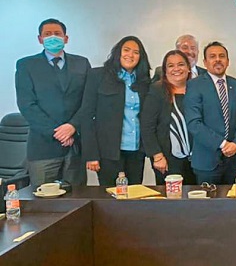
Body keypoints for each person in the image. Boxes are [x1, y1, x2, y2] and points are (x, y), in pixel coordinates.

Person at [15, 18, 91, 187]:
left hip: (76, 146)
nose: (53, 37)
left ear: (66, 38)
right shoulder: (26, 65)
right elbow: (27, 105)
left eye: (57, 34)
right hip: (43, 147)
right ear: (40, 39)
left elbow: (88, 101)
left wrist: (72, 126)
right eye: (47, 34)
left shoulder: (82, 63)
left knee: (78, 197)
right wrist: (58, 133)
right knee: (44, 198)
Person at [82, 36, 151, 185]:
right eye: (126, 50)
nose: (130, 55)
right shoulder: (98, 76)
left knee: (135, 193)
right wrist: (91, 154)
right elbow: (86, 116)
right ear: (118, 52)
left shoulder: (144, 81)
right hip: (108, 151)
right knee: (110, 195)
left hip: (136, 150)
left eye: (136, 52)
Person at [184, 41, 236, 184]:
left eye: (222, 56)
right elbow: (194, 123)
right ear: (205, 62)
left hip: (233, 161)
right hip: (206, 161)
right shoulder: (194, 85)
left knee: (233, 198)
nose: (218, 60)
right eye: (212, 56)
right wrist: (222, 144)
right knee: (208, 199)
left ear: (228, 61)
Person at [141, 50, 196, 185]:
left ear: (188, 68)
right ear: (165, 71)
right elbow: (147, 126)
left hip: (197, 159)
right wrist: (157, 156)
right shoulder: (157, 91)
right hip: (167, 159)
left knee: (196, 195)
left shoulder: (197, 89)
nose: (176, 69)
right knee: (171, 196)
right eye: (171, 66)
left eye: (181, 64)